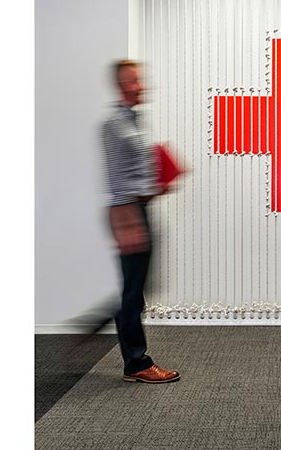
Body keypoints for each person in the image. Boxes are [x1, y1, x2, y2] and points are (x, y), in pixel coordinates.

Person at [101, 59, 179, 384]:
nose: (141, 85)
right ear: (122, 85)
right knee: (133, 290)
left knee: (138, 288)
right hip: (129, 213)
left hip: (140, 209)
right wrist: (127, 223)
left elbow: (136, 172)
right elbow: (116, 180)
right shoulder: (114, 126)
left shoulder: (136, 122)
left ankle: (116, 326)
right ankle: (136, 363)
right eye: (135, 81)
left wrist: (157, 183)